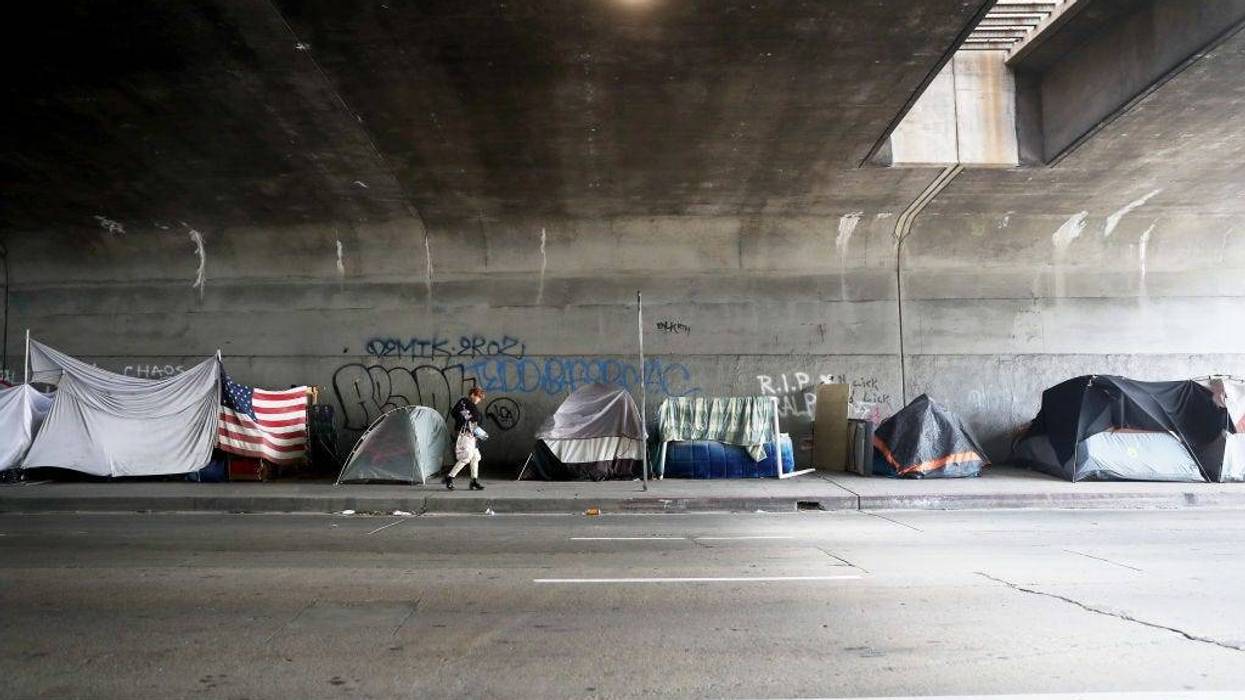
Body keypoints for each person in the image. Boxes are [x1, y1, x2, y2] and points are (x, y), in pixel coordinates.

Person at [445, 387, 487, 490]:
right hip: (465, 434)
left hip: (472, 435)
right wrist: (467, 419)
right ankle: (449, 477)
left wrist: (478, 433)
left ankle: (474, 481)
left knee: (475, 457)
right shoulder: (464, 401)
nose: (479, 400)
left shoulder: (472, 405)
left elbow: (472, 421)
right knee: (466, 457)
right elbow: (456, 412)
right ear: (472, 394)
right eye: (478, 397)